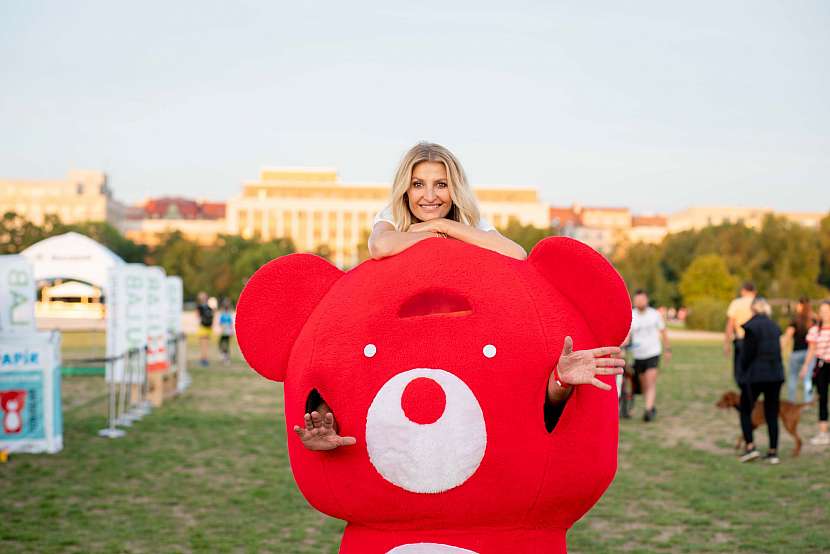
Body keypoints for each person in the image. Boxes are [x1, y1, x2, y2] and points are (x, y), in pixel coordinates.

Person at [293, 141, 626, 450]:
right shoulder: (391, 216)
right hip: (407, 331)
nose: (429, 196)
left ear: (454, 187)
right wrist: (428, 231)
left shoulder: (469, 222)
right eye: (418, 184)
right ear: (405, 189)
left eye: (441, 184)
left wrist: (447, 228)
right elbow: (381, 246)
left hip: (462, 330)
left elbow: (516, 254)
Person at [737, 297, 785, 464]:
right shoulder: (774, 327)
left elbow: (746, 355)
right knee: (772, 412)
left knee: (745, 409)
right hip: (775, 375)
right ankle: (773, 451)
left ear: (753, 309)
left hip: (756, 375)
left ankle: (750, 447)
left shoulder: (751, 327)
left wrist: (741, 373)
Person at [625, 290, 671, 422]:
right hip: (638, 355)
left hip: (653, 353)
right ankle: (650, 406)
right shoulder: (632, 315)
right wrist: (622, 346)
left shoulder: (654, 314)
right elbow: (628, 336)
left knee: (650, 382)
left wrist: (668, 349)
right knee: (644, 383)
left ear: (647, 300)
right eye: (637, 300)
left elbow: (663, 332)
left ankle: (648, 410)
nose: (640, 302)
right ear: (634, 301)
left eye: (642, 299)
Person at [800, 300, 830, 445]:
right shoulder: (815, 330)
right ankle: (823, 433)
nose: (824, 314)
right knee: (822, 399)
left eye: (827, 311)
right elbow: (811, 350)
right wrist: (805, 366)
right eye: (822, 311)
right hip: (822, 366)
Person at [725, 282, 757, 383]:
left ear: (743, 291)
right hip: (756, 341)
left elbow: (730, 324)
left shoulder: (736, 303)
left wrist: (727, 343)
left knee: (740, 371)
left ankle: (745, 393)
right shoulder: (760, 303)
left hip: (741, 340)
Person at [784, 297, 814, 402]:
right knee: (808, 379)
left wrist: (781, 346)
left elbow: (788, 335)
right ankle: (808, 402)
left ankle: (791, 401)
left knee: (792, 378)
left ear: (801, 305)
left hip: (796, 352)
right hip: (810, 352)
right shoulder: (813, 320)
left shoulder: (795, 320)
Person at [196, 291, 214, 367]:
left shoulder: (199, 307)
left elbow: (197, 317)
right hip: (209, 327)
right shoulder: (209, 307)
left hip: (203, 327)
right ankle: (205, 359)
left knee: (203, 344)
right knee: (206, 344)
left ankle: (203, 359)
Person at [218, 298, 234, 365]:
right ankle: (225, 357)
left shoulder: (224, 314)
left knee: (223, 344)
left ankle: (225, 357)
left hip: (225, 331)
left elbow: (221, 323)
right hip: (227, 331)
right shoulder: (228, 314)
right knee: (225, 344)